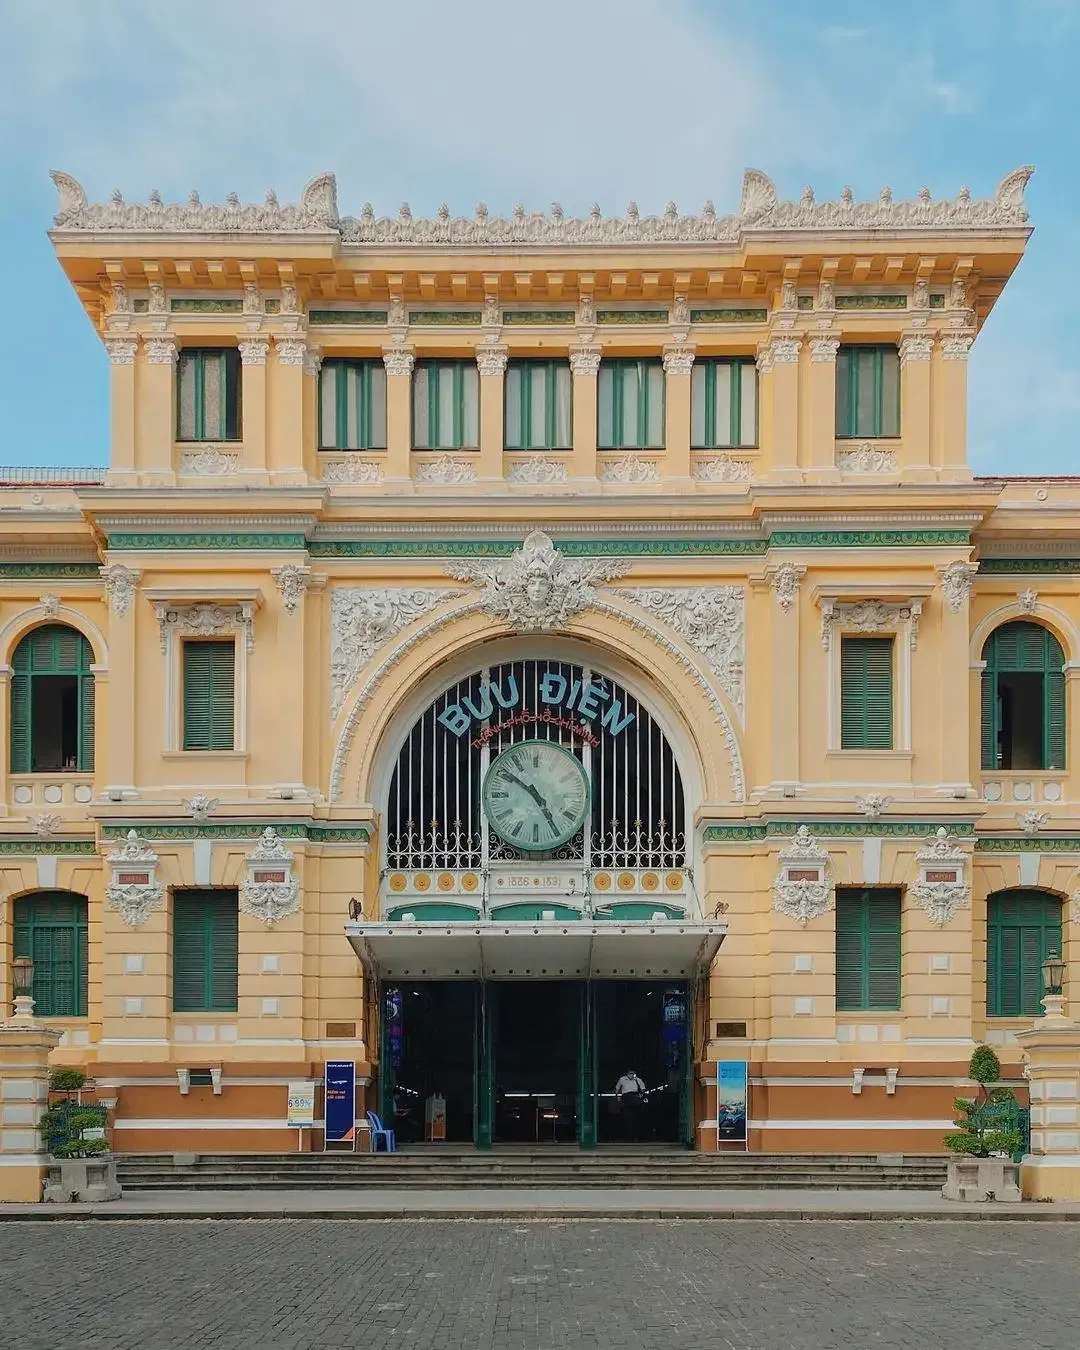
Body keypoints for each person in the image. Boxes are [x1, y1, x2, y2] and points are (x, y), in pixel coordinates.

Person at [615, 1069, 646, 1142]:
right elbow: (617, 1088)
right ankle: (629, 1137)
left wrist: (640, 1095)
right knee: (627, 1119)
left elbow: (643, 1089)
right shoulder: (622, 1079)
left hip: (635, 1099)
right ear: (627, 1074)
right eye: (630, 1073)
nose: (631, 1075)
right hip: (626, 1099)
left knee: (636, 1119)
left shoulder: (638, 1080)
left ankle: (636, 1136)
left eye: (632, 1073)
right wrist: (618, 1096)